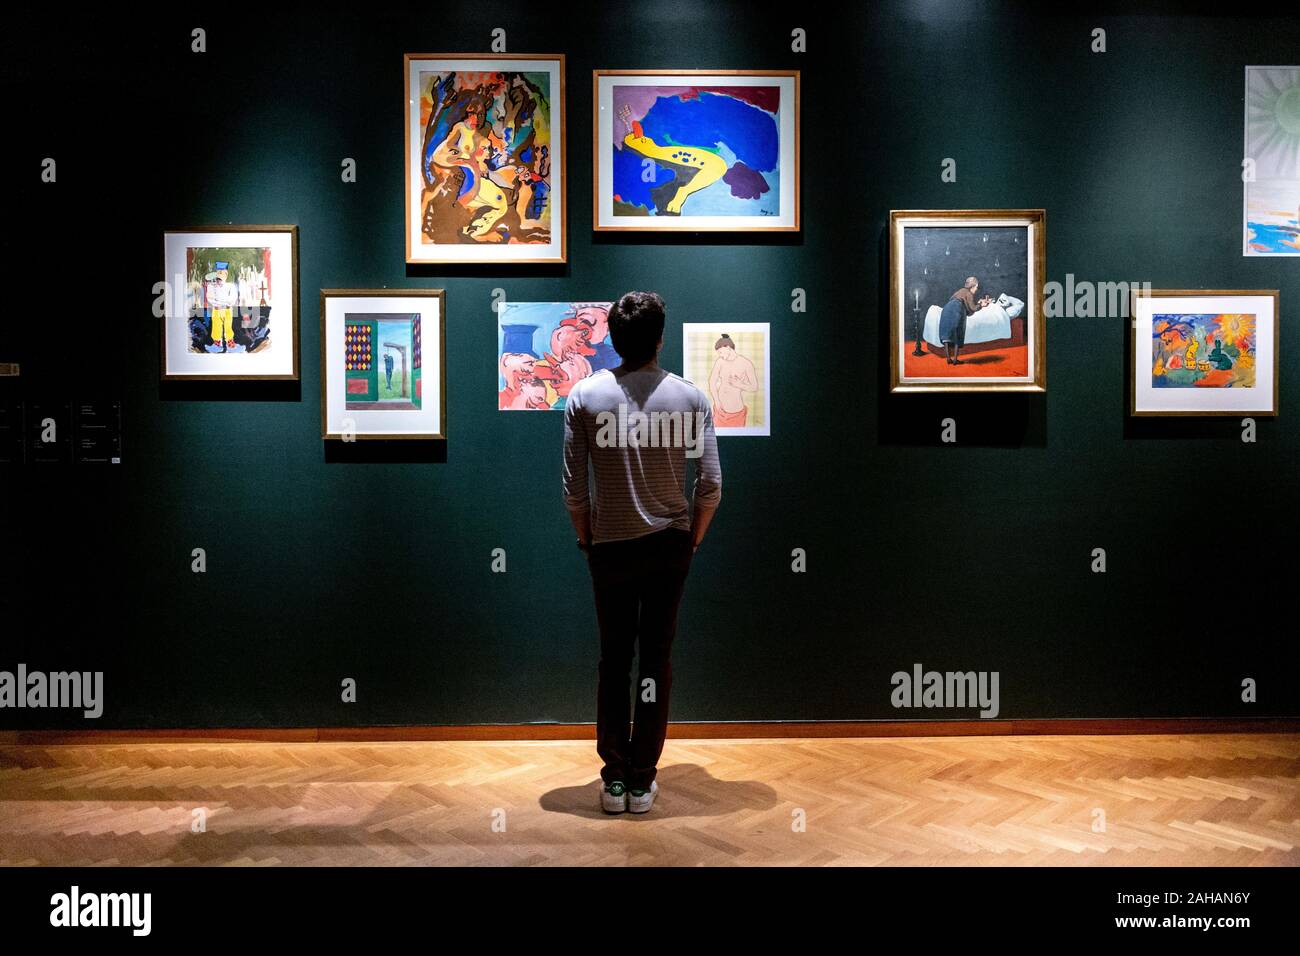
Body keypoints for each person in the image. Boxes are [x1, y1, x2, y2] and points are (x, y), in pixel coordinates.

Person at [562, 291, 722, 815]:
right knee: (655, 660)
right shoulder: (691, 398)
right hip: (670, 547)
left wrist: (586, 539)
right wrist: (693, 538)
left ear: (611, 338)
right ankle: (642, 779)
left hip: (609, 547)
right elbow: (711, 485)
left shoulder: (585, 397)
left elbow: (574, 491)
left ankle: (613, 778)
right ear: (658, 339)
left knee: (614, 661)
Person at [937, 276, 988, 365]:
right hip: (957, 310)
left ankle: (948, 359)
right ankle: (955, 360)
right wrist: (981, 305)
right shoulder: (969, 293)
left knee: (947, 335)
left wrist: (976, 304)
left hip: (946, 309)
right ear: (972, 286)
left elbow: (954, 300)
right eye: (976, 287)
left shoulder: (960, 290)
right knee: (958, 334)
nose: (976, 290)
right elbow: (972, 308)